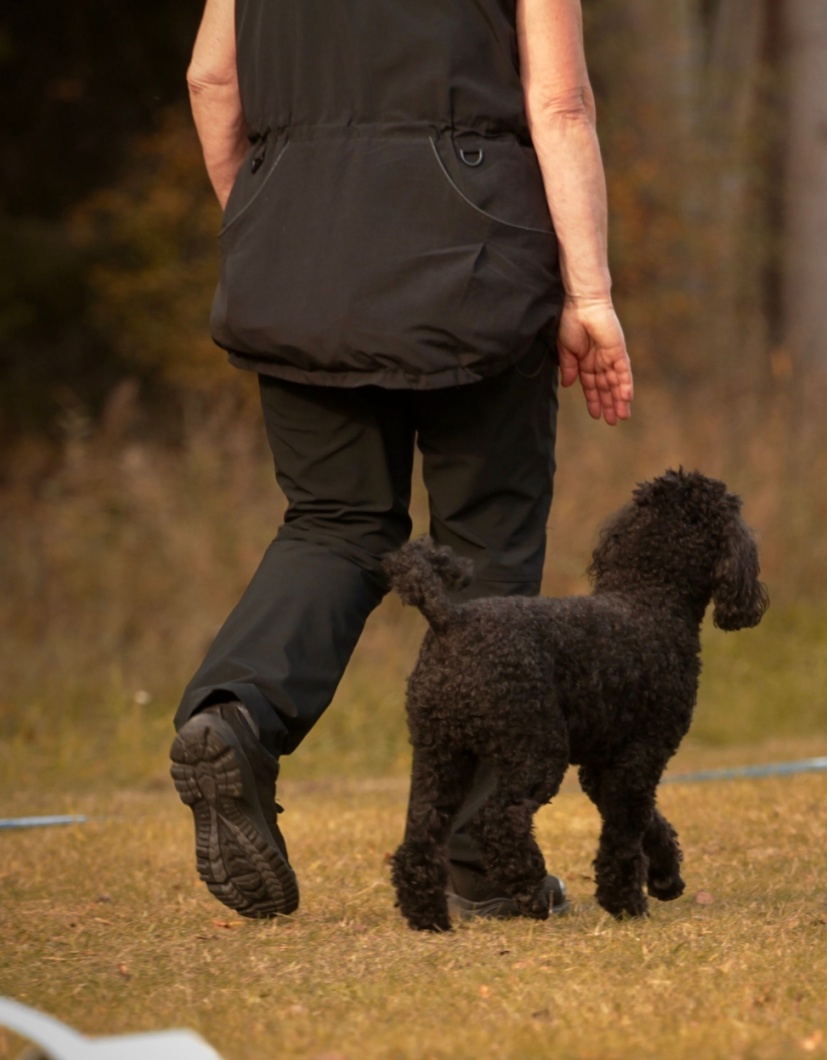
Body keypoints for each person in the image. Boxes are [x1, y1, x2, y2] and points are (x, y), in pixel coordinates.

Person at [169, 0, 633, 920]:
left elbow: (210, 79)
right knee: (487, 542)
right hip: (473, 256)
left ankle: (236, 717)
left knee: (333, 523)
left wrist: (274, 222)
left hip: (297, 260)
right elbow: (561, 104)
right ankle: (484, 859)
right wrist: (591, 292)